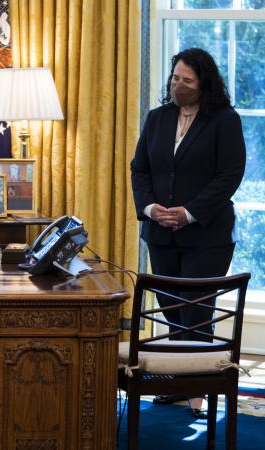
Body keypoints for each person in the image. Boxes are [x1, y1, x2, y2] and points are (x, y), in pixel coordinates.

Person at [130, 48, 245, 419]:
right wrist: (150, 209)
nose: (178, 85)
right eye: (174, 78)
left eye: (187, 80)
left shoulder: (224, 120)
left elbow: (229, 174)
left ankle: (199, 392)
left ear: (203, 84)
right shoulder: (157, 118)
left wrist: (190, 213)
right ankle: (179, 383)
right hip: (160, 232)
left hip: (206, 235)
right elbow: (140, 169)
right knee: (171, 312)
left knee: (196, 311)